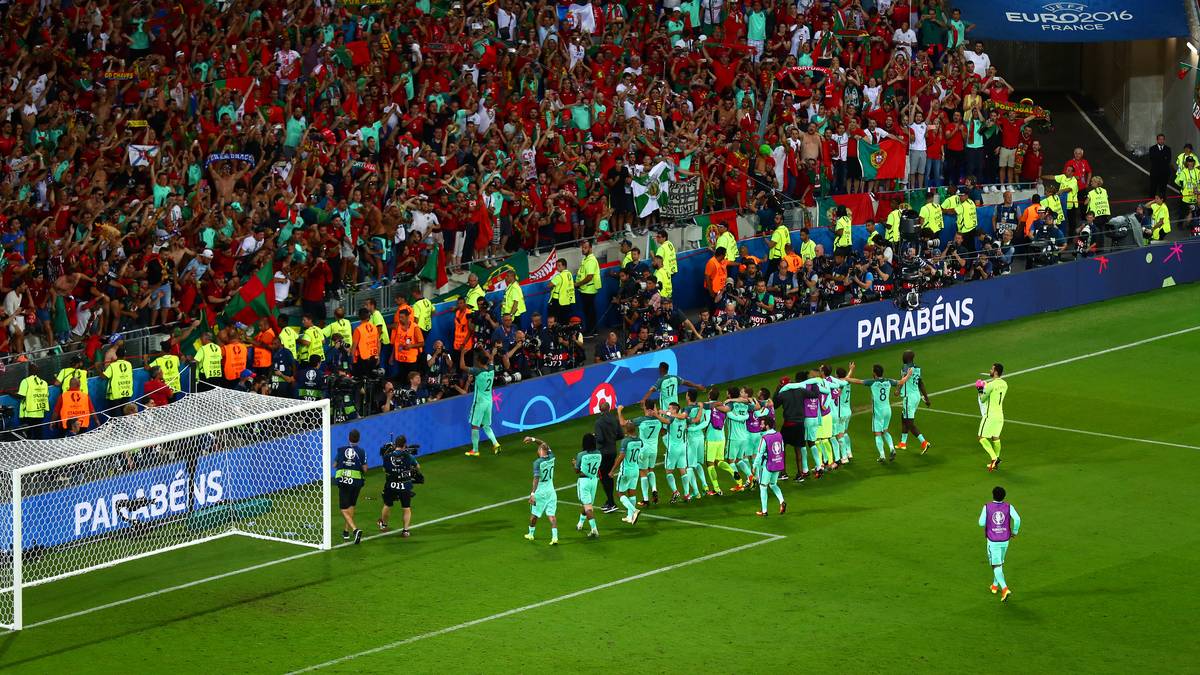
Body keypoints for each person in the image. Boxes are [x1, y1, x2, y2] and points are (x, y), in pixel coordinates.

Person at [846, 363, 913, 463]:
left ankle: (882, 455)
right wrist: (909, 374)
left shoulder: (872, 382)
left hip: (878, 412)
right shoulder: (889, 381)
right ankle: (892, 449)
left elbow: (858, 381)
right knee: (885, 430)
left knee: (877, 433)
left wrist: (846, 378)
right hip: (887, 410)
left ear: (874, 373)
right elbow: (901, 382)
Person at [979, 485, 1021, 602]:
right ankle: (994, 585)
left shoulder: (987, 506)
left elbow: (981, 523)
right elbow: (1017, 519)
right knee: (1000, 563)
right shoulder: (1009, 506)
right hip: (1005, 539)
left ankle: (1005, 588)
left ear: (993, 494)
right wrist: (1015, 531)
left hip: (993, 541)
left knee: (995, 565)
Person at [618, 401, 663, 506]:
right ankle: (654, 489)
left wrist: (619, 411)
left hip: (643, 450)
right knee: (651, 470)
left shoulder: (641, 420)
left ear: (647, 409)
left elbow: (623, 423)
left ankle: (646, 499)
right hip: (654, 449)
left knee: (643, 472)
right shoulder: (659, 420)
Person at [377, 436, 420, 538]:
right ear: (405, 444)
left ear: (395, 444)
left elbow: (384, 470)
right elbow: (418, 467)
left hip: (391, 485)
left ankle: (383, 525)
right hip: (405, 485)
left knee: (387, 505)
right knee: (406, 508)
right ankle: (405, 531)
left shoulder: (387, 456)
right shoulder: (408, 456)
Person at [651, 402, 693, 503]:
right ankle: (687, 494)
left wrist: (656, 415)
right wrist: (665, 412)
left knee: (669, 471)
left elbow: (666, 421)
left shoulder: (672, 418)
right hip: (683, 448)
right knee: (683, 470)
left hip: (673, 449)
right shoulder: (684, 418)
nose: (668, 410)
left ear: (674, 410)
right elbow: (693, 420)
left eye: (669, 408)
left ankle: (675, 492)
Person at [463, 349, 501, 457]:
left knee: (475, 426)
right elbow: (491, 358)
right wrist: (484, 350)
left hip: (479, 403)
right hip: (489, 402)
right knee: (486, 425)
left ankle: (475, 450)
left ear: (479, 362)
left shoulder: (477, 371)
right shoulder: (491, 369)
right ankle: (496, 443)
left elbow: (462, 366)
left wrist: (462, 352)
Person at [523, 436, 559, 545]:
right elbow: (544, 443)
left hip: (540, 493)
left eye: (539, 449)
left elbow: (536, 478)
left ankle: (531, 534)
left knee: (534, 515)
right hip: (551, 492)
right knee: (551, 515)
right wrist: (533, 439)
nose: (538, 449)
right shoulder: (552, 457)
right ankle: (555, 537)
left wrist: (532, 493)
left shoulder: (537, 463)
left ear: (542, 452)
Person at [334, 429, 368, 544]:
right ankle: (346, 531)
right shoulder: (362, 451)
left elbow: (334, 465)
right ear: (358, 439)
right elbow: (365, 469)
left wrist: (344, 464)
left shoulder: (342, 450)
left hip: (344, 481)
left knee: (343, 508)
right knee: (351, 505)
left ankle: (355, 530)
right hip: (357, 482)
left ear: (349, 438)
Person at [610, 417, 643, 525]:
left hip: (626, 471)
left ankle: (634, 511)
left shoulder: (625, 441)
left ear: (626, 430)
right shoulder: (639, 441)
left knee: (620, 493)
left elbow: (621, 457)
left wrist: (612, 470)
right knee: (631, 492)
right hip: (635, 470)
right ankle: (630, 517)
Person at [976, 363, 1009, 471]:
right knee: (995, 438)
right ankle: (996, 463)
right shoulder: (1005, 384)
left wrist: (980, 389)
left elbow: (982, 399)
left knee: (981, 437)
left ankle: (994, 458)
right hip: (1000, 415)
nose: (990, 370)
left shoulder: (991, 385)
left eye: (991, 369)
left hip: (990, 416)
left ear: (995, 372)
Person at [898, 350, 932, 453]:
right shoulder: (917, 368)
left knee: (909, 423)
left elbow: (902, 380)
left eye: (904, 355)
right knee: (904, 418)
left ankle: (924, 442)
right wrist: (926, 397)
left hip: (909, 398)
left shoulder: (905, 368)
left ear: (907, 358)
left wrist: (897, 390)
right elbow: (920, 383)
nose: (902, 357)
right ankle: (903, 443)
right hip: (916, 396)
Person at [752, 417, 787, 516]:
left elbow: (759, 453)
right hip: (778, 463)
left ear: (767, 426)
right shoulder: (779, 435)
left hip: (768, 465)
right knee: (773, 484)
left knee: (763, 486)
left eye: (762, 424)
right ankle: (782, 501)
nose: (760, 426)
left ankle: (764, 511)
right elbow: (782, 449)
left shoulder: (765, 438)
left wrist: (754, 466)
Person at [592, 401, 622, 513]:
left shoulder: (599, 422)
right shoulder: (614, 419)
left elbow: (600, 439)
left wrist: (594, 436)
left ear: (600, 409)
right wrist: (611, 438)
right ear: (609, 409)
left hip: (603, 453)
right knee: (609, 476)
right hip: (613, 451)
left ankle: (611, 502)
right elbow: (621, 435)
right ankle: (609, 501)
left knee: (603, 477)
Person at [682, 390, 713, 498]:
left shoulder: (686, 409)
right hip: (701, 437)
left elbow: (686, 421)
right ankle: (705, 486)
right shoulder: (702, 406)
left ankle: (696, 492)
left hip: (691, 439)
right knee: (698, 463)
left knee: (689, 466)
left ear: (688, 397)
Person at [572, 433, 602, 538]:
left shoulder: (581, 455)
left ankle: (594, 530)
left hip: (584, 481)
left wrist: (574, 463)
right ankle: (580, 524)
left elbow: (577, 470)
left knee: (588, 507)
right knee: (587, 504)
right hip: (594, 480)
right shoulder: (599, 453)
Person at [703, 387, 732, 494]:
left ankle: (716, 488)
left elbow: (704, 420)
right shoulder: (722, 407)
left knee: (710, 463)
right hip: (721, 438)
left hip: (711, 438)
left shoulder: (707, 406)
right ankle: (733, 472)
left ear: (709, 396)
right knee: (720, 461)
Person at [16, 363, 50, 439]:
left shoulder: (26, 381)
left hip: (28, 414)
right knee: (38, 435)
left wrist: (8, 392)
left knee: (27, 437)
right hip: (40, 414)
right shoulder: (44, 383)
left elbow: (20, 396)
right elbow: (46, 395)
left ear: (29, 371)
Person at [575, 240, 601, 335]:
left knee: (589, 312)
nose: (583, 249)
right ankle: (592, 330)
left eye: (585, 247)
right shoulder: (586, 259)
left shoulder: (590, 260)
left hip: (588, 290)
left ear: (590, 248)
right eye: (582, 247)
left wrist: (578, 284)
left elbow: (589, 277)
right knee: (589, 311)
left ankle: (591, 331)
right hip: (585, 289)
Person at [101, 348, 135, 419]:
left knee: (113, 416)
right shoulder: (129, 364)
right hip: (127, 392)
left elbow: (104, 376)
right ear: (125, 355)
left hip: (115, 394)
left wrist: (98, 369)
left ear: (116, 355)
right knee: (125, 414)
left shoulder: (112, 365)